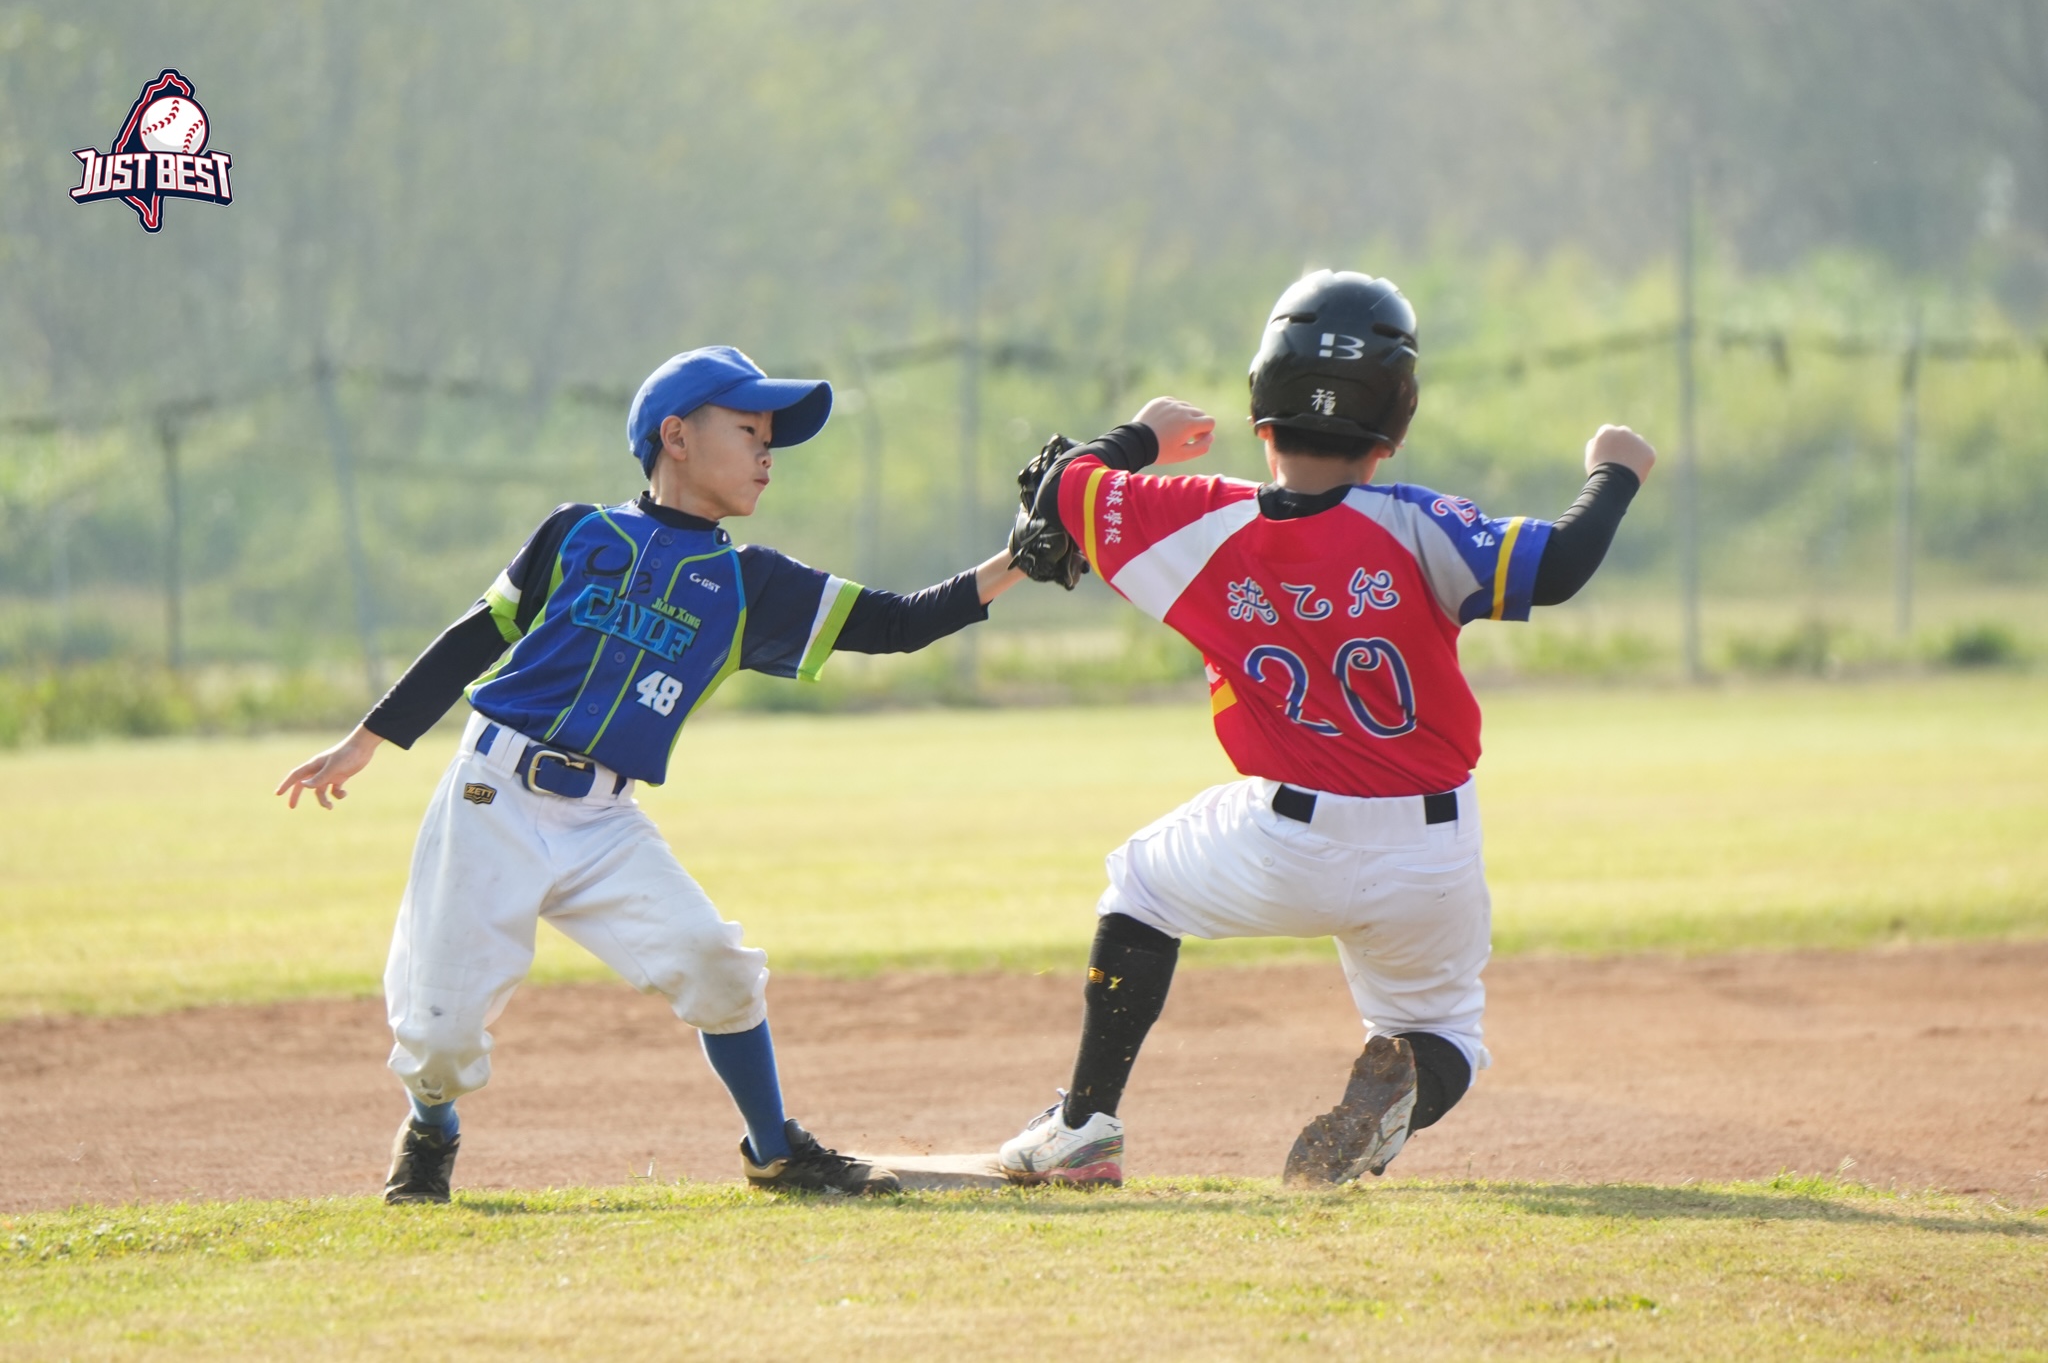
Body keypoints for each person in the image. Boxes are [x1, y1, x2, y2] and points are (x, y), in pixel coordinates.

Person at [278, 345, 1024, 1202]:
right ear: (676, 435)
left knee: (720, 965)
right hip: (492, 794)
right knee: (440, 1039)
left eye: (771, 438)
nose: (766, 453)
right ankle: (431, 1126)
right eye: (749, 429)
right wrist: (369, 738)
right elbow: (478, 635)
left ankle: (775, 1148)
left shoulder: (752, 584)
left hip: (604, 820)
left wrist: (1014, 562)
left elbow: (900, 623)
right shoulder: (576, 533)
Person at [996, 271, 1654, 1186]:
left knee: (1140, 887)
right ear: (1397, 418)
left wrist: (1143, 435)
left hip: (1284, 840)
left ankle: (1082, 1127)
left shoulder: (1197, 520)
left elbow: (1059, 481)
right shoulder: (1421, 525)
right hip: (1432, 849)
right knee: (1443, 1031)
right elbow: (1563, 564)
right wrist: (1614, 469)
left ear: (1262, 402)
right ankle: (1402, 1095)